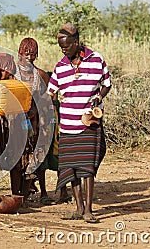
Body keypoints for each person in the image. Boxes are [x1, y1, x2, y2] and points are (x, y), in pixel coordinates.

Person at [47, 24, 112, 223]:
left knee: (87, 169)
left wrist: (98, 98)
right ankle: (78, 208)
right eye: (60, 47)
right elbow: (51, 92)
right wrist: (55, 103)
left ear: (76, 43)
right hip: (67, 125)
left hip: (88, 124)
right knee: (71, 170)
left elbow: (107, 84)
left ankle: (89, 210)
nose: (63, 50)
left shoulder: (96, 59)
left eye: (66, 46)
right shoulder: (60, 66)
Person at [13, 37, 68, 204]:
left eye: (33, 54)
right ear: (19, 53)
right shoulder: (11, 74)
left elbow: (48, 100)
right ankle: (21, 192)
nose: (29, 57)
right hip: (16, 121)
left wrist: (42, 118)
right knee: (18, 158)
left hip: (37, 120)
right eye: (26, 53)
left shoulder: (41, 75)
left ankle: (45, 192)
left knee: (40, 156)